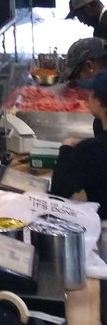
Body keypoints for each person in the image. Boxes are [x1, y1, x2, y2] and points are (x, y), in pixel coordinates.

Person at [51, 69, 107, 216]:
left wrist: (67, 147)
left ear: (100, 102)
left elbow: (57, 193)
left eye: (91, 93)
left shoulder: (89, 151)